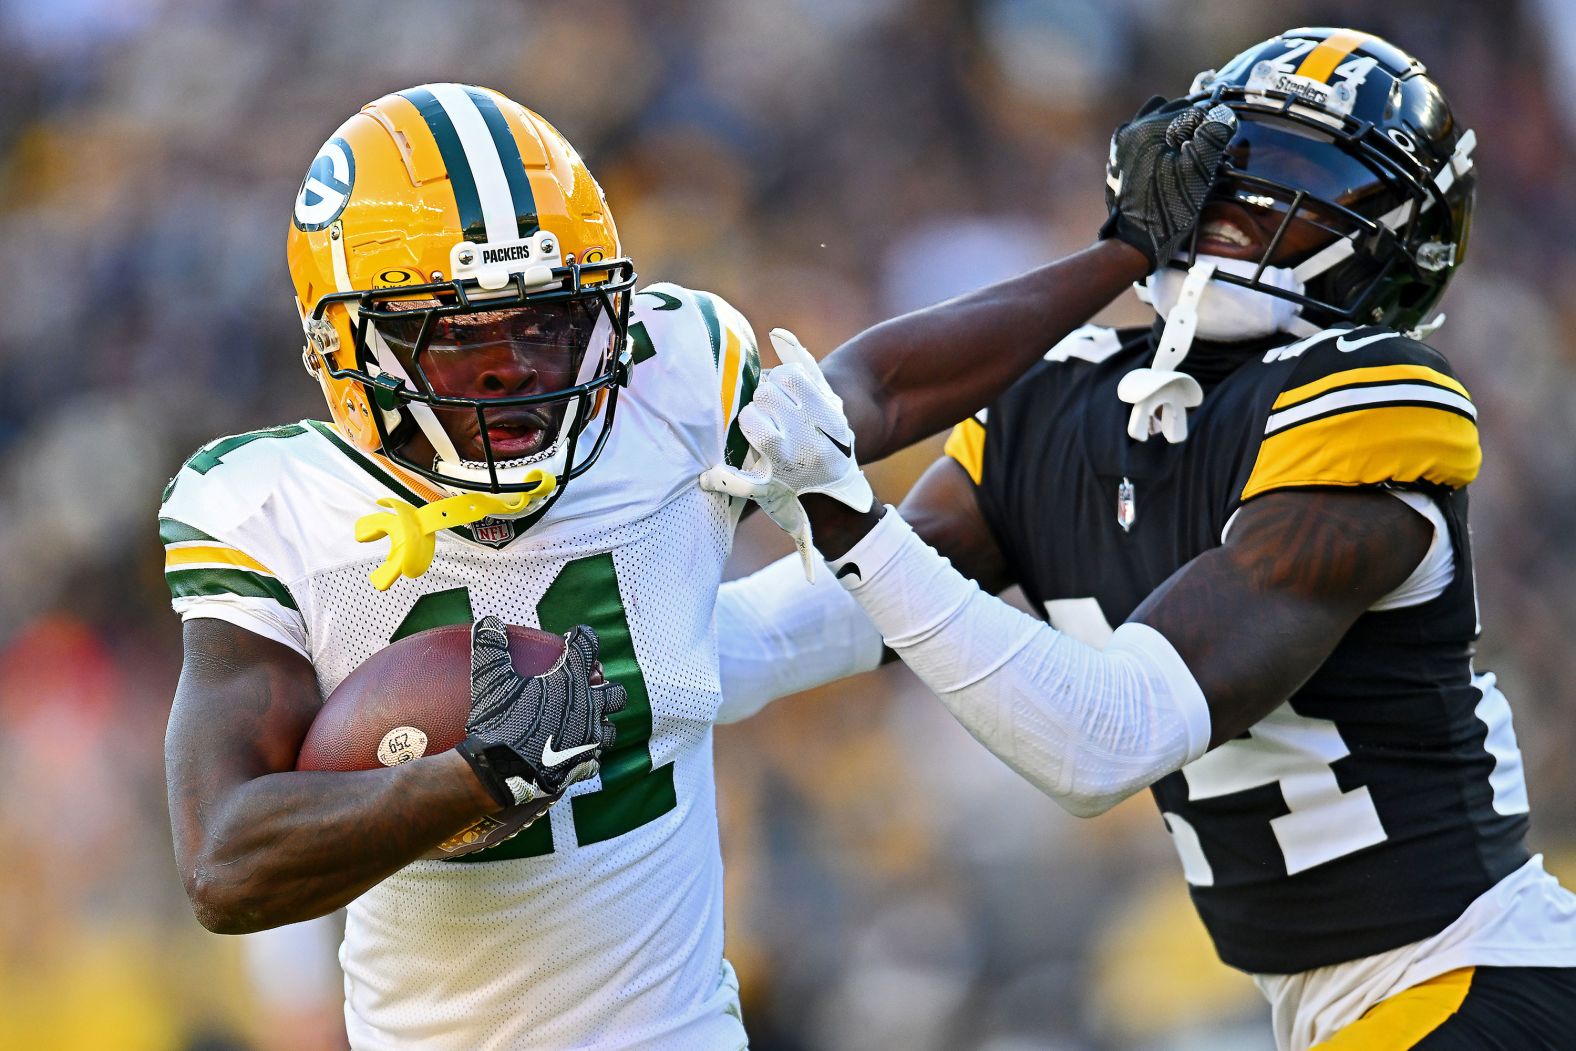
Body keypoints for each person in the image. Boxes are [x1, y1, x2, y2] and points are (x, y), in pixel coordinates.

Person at [160, 83, 1227, 1049]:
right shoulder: (268, 506)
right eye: (468, 344)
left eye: (550, 324)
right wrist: (474, 779)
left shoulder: (667, 384)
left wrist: (1123, 255)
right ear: (350, 347)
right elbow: (226, 861)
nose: (523, 375)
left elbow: (877, 392)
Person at [709, 27, 1576, 1051]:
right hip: (1337, 1006)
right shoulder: (1063, 397)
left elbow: (1102, 741)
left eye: (1295, 179)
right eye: (1226, 166)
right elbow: (801, 624)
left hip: (1466, 977)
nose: (1240, 202)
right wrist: (615, 670)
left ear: (1389, 239)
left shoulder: (1369, 405)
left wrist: (845, 514)